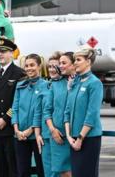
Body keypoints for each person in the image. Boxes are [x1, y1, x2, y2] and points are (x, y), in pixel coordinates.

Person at [0, 38, 26, 177]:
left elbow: (19, 101)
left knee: (13, 165)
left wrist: (5, 118)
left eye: (4, 51)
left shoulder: (19, 74)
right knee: (0, 165)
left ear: (11, 53)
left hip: (10, 127)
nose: (0, 54)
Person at [64, 47, 103, 177]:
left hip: (88, 138)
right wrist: (69, 136)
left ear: (88, 61)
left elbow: (92, 114)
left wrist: (80, 138)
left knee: (87, 173)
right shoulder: (75, 82)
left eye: (78, 60)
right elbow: (67, 110)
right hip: (74, 138)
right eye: (74, 60)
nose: (75, 63)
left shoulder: (95, 83)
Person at [11, 53, 46, 177]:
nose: (29, 68)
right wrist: (17, 130)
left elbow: (42, 112)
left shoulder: (46, 86)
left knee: (42, 170)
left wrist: (29, 130)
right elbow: (14, 108)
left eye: (32, 65)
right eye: (26, 66)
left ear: (39, 66)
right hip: (20, 136)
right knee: (22, 171)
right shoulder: (20, 85)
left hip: (37, 135)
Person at [43, 52, 73, 177]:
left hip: (74, 134)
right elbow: (47, 111)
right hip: (57, 135)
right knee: (60, 171)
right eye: (58, 64)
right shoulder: (54, 85)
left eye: (61, 64)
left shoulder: (74, 83)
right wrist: (53, 130)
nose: (59, 67)